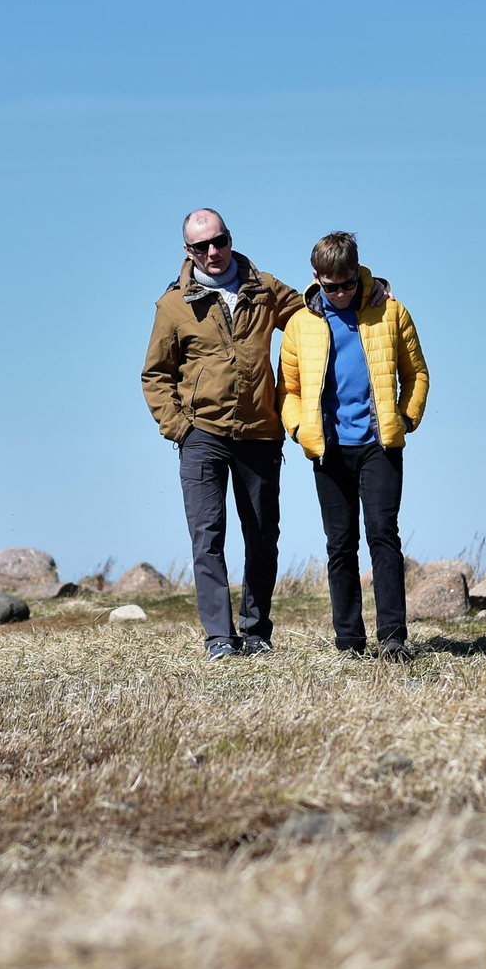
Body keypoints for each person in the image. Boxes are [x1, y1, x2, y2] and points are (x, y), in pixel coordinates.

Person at [137, 209, 314, 658]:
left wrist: (367, 285)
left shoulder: (264, 287)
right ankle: (219, 637)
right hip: (202, 437)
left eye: (219, 241)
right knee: (207, 537)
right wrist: (180, 428)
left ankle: (256, 631)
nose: (213, 253)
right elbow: (155, 375)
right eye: (201, 247)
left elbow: (313, 311)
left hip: (259, 434)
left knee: (261, 537)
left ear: (230, 239)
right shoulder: (174, 304)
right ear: (188, 252)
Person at [279, 230, 429, 660]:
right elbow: (286, 389)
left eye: (348, 283)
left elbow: (416, 373)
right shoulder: (299, 325)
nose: (341, 293)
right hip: (328, 450)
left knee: (383, 535)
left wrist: (406, 417)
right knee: (340, 544)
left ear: (358, 273)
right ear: (316, 278)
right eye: (331, 287)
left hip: (380, 446)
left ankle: (393, 638)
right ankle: (348, 641)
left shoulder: (391, 312)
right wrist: (298, 430)